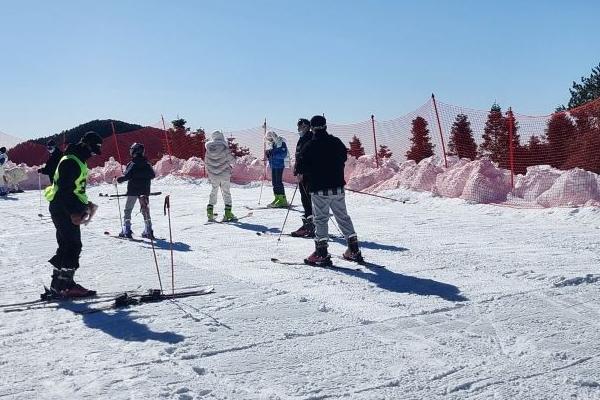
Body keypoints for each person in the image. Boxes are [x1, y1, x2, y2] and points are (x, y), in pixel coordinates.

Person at [295, 115, 363, 266]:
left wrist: (303, 173)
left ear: (312, 128)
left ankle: (321, 253)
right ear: (326, 126)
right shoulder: (336, 142)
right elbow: (343, 158)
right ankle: (353, 250)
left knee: (321, 220)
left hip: (319, 189)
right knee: (343, 217)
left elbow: (301, 166)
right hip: (337, 187)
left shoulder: (310, 146)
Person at [43, 131, 102, 298]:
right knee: (73, 246)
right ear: (85, 145)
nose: (92, 155)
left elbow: (75, 188)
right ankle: (66, 286)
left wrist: (85, 204)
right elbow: (64, 191)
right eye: (91, 151)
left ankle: (58, 285)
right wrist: (73, 212)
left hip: (63, 207)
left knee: (66, 246)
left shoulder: (76, 159)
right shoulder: (71, 161)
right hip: (64, 208)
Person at [116, 143, 156, 238]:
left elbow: (127, 176)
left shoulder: (132, 164)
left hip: (133, 191)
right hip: (144, 191)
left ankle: (127, 229)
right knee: (145, 209)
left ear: (134, 151)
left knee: (128, 209)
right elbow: (152, 175)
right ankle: (148, 230)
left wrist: (120, 179)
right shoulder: (147, 164)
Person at [204, 131, 237, 222]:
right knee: (226, 192)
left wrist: (210, 173)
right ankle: (228, 213)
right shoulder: (224, 148)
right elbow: (233, 161)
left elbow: (206, 163)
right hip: (224, 175)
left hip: (213, 176)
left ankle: (210, 212)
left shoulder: (208, 149)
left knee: (214, 191)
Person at [291, 118, 315, 237]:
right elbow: (299, 157)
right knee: (305, 199)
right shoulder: (302, 139)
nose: (298, 129)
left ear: (306, 126)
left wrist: (302, 171)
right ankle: (308, 223)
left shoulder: (310, 138)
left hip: (308, 175)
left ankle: (310, 226)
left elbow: (308, 158)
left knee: (308, 199)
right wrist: (297, 169)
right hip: (302, 174)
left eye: (300, 126)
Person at [265, 130, 289, 208]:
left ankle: (283, 199)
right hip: (274, 165)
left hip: (279, 165)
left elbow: (283, 154)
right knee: (274, 182)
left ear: (273, 137)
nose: (270, 140)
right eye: (268, 139)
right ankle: (277, 198)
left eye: (270, 138)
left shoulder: (281, 142)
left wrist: (272, 153)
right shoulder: (274, 144)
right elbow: (273, 154)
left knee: (278, 182)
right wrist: (269, 154)